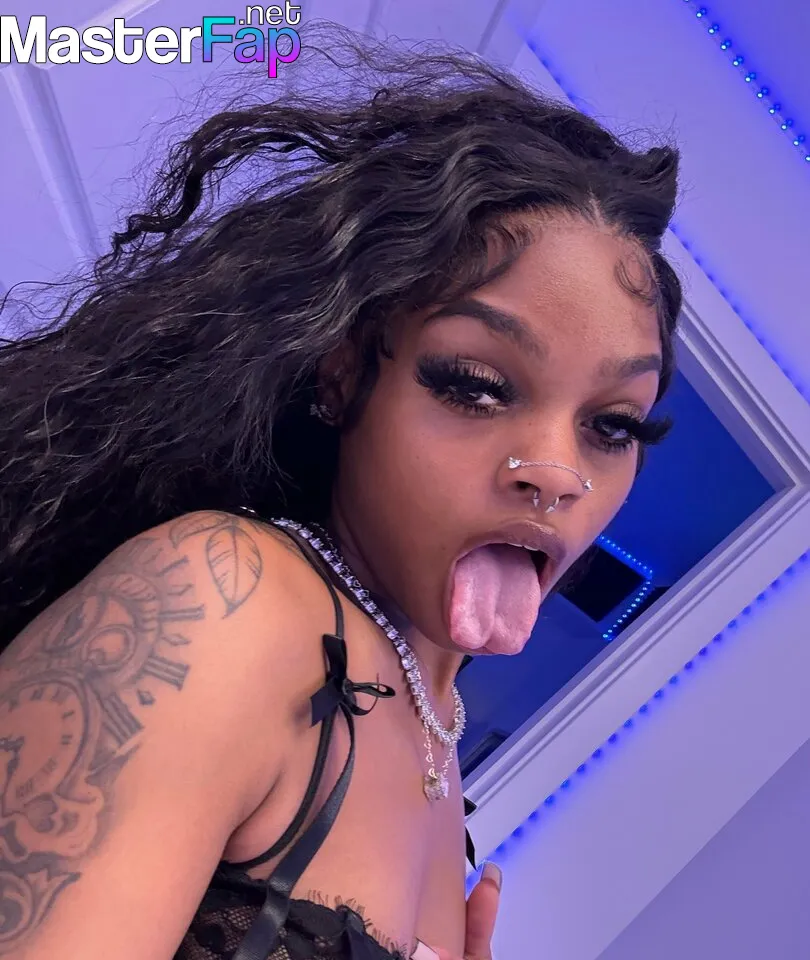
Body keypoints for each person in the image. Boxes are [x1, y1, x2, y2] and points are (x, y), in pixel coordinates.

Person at [0, 25, 681, 960]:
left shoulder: (438, 737)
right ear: (345, 374)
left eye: (612, 425)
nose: (558, 472)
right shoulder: (222, 601)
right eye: (478, 385)